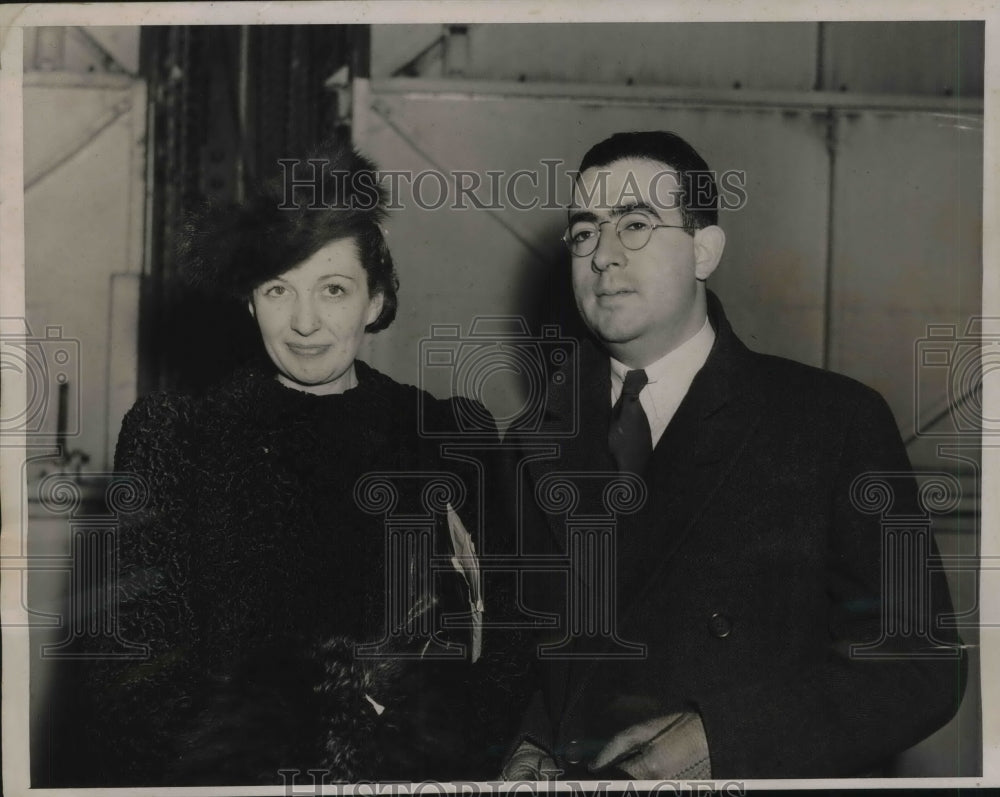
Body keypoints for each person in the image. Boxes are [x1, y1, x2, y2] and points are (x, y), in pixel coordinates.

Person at [502, 131, 967, 780]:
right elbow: (519, 654)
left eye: (635, 224)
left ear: (704, 250)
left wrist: (719, 737)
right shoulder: (533, 443)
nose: (603, 255)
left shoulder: (829, 422)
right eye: (584, 232)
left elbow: (919, 664)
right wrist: (527, 739)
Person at [62, 143, 513, 786]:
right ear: (250, 300)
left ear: (376, 299)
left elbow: (509, 651)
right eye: (279, 289)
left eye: (333, 289)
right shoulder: (177, 437)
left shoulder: (448, 437)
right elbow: (129, 676)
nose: (304, 322)